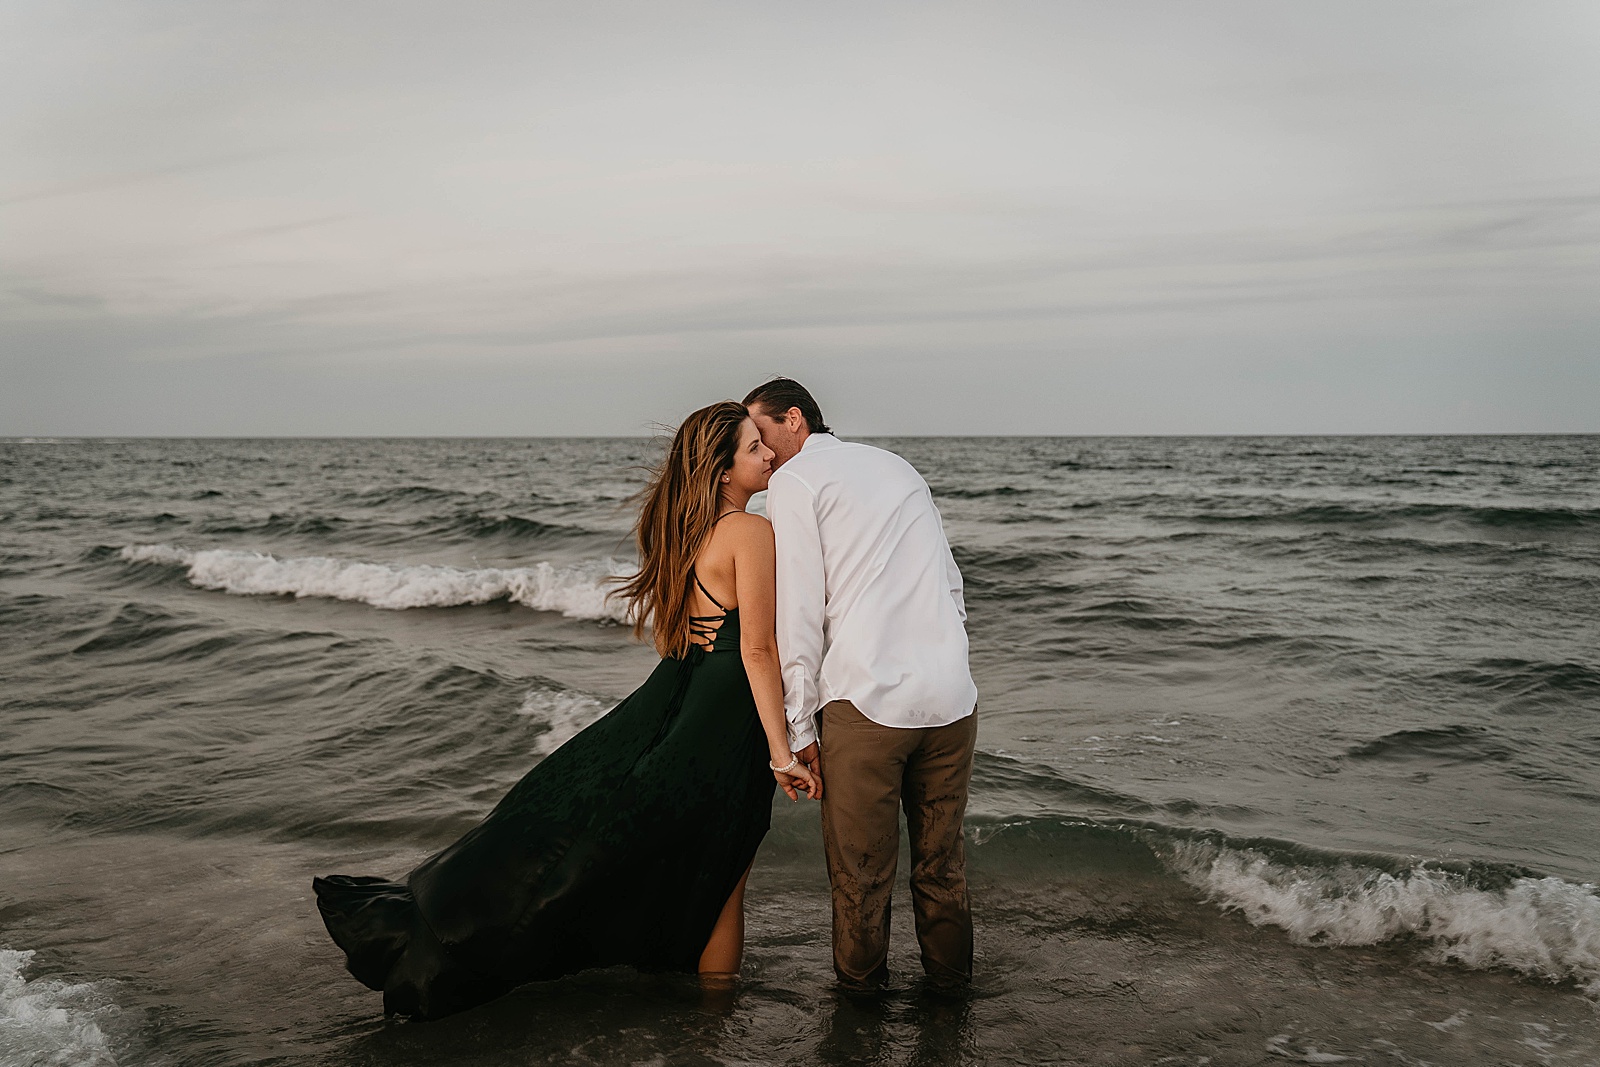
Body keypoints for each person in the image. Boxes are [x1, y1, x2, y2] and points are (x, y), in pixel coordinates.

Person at [311, 401, 821, 1019]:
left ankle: (681, 996)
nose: (768, 453)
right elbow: (758, 649)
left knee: (598, 834)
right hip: (722, 716)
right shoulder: (750, 530)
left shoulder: (684, 531)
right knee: (724, 868)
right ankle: (712, 1019)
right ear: (720, 470)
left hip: (677, 697)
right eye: (753, 449)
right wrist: (781, 752)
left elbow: (691, 635)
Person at [743, 377, 978, 994]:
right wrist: (950, 652)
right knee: (943, 870)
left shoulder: (795, 483)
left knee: (860, 879)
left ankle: (859, 1021)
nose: (763, 456)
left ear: (794, 419)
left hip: (867, 705)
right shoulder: (895, 465)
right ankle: (953, 1008)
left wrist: (797, 729)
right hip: (953, 700)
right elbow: (951, 583)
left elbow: (799, 615)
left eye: (762, 435)